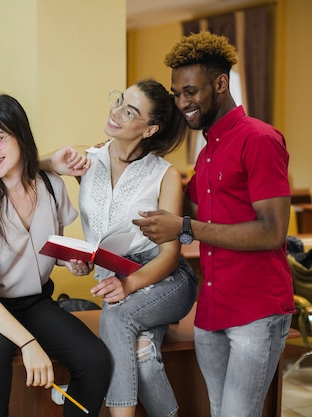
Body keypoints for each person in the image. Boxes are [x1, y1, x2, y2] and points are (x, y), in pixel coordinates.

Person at [132, 32, 294, 417]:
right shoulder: (207, 151)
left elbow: (272, 231)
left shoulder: (260, 140)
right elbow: (181, 210)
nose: (182, 103)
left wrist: (186, 226)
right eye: (176, 93)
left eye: (190, 91)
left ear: (221, 83)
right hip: (211, 313)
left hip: (257, 312)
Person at [43, 78, 198, 417]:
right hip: (115, 276)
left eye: (130, 111)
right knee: (142, 354)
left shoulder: (165, 175)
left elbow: (171, 255)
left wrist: (128, 284)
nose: (115, 113)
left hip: (165, 280)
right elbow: (23, 168)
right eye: (119, 101)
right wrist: (50, 163)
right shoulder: (88, 161)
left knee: (116, 315)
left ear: (150, 128)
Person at [0, 94, 112, 417]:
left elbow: (49, 248)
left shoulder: (51, 184)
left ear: (19, 133)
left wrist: (70, 262)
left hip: (35, 302)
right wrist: (28, 344)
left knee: (95, 360)